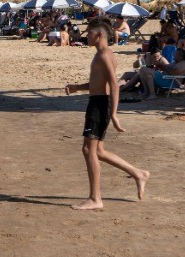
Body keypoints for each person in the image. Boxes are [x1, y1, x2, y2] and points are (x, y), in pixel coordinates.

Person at [63, 16, 149, 211]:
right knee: (98, 151)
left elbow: (114, 85)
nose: (87, 36)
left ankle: (95, 198)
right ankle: (138, 174)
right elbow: (97, 83)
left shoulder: (104, 55)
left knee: (88, 150)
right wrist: (77, 87)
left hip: (100, 105)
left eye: (90, 33)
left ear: (100, 34)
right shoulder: (100, 53)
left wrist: (114, 114)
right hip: (97, 101)